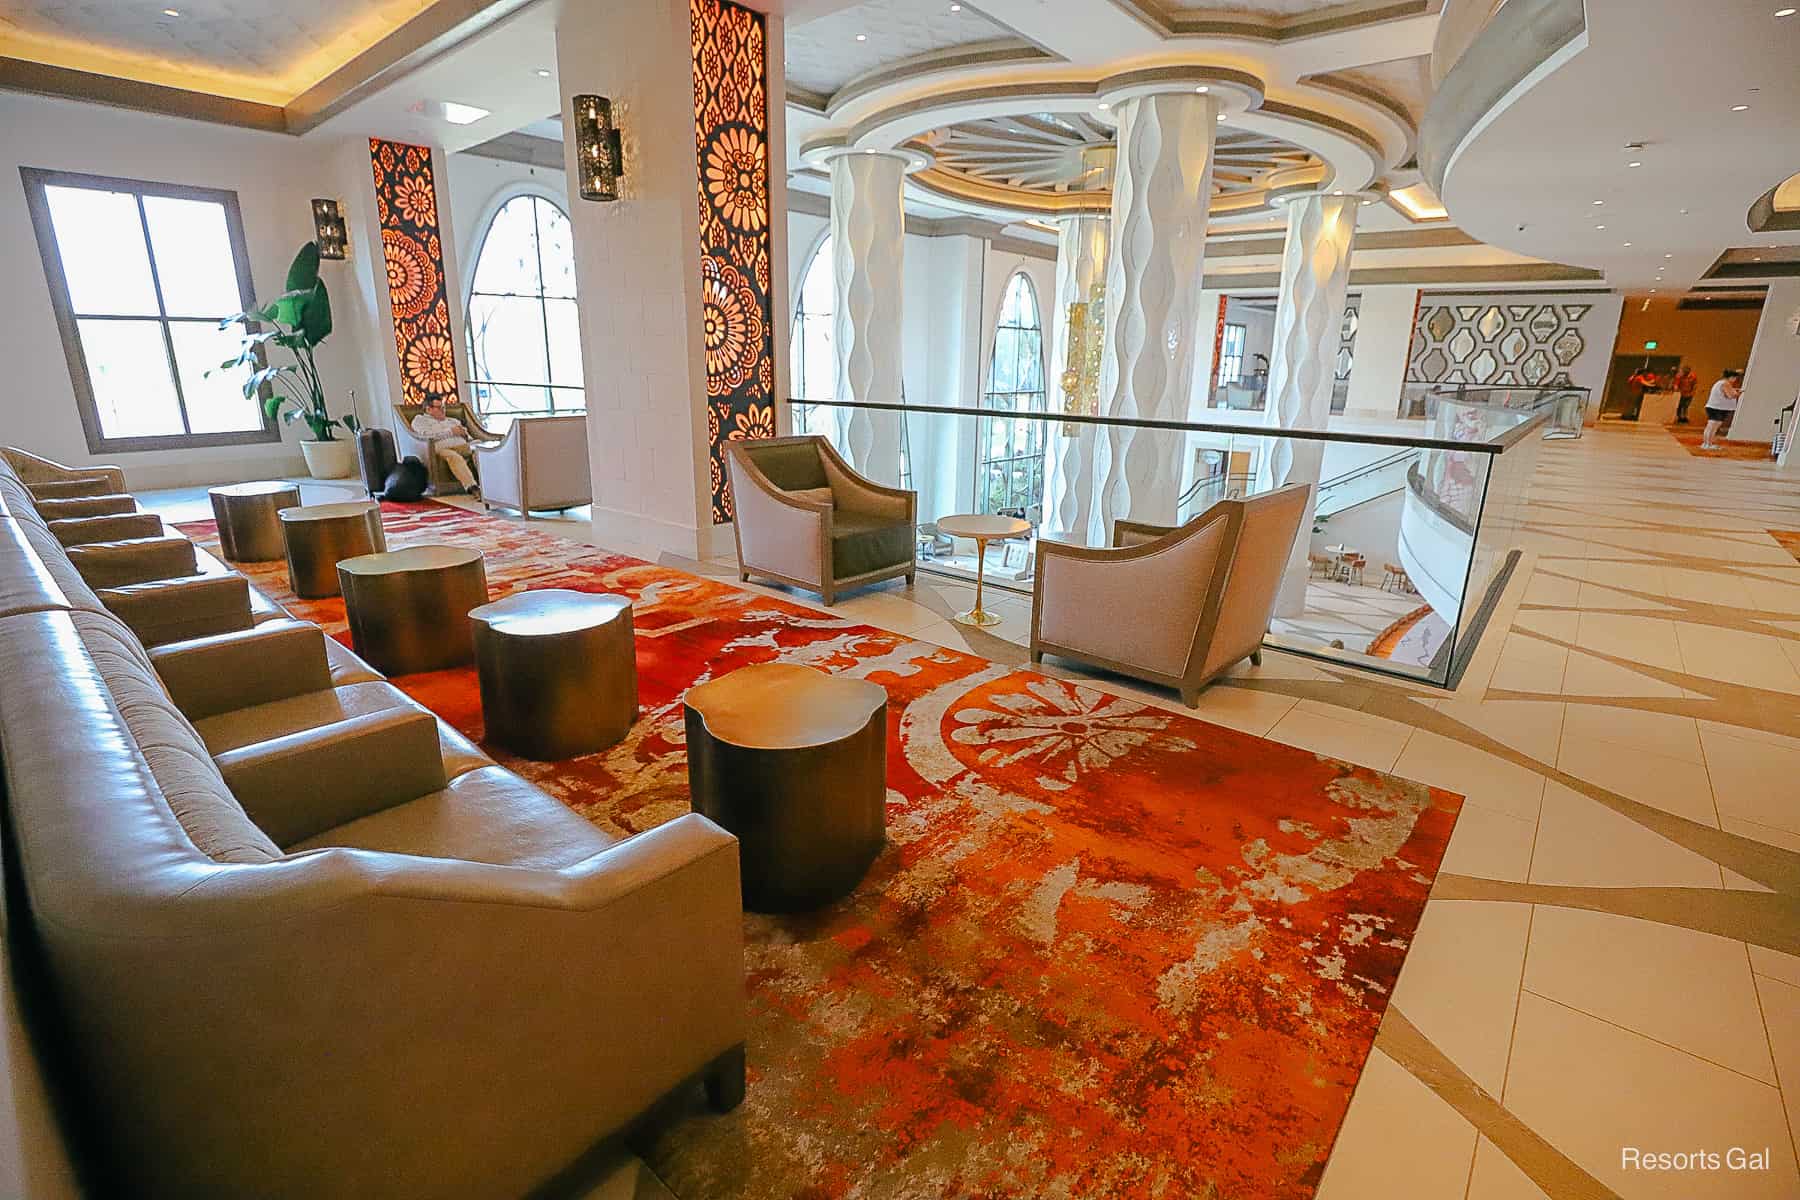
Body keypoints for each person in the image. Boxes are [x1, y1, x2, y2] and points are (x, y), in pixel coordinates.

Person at [409, 396, 480, 495]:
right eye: (439, 408)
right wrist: (450, 432)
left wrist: (464, 434)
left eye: (444, 407)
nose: (443, 410)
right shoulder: (420, 420)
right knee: (454, 457)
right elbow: (428, 437)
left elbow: (467, 436)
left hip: (463, 446)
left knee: (480, 451)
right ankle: (472, 487)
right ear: (428, 409)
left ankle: (489, 484)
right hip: (441, 449)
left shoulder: (453, 420)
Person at [1699, 369, 1743, 450]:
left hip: (1714, 407)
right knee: (1713, 427)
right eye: (1735, 378)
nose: (1735, 380)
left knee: (1711, 426)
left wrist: (1734, 391)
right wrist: (1738, 393)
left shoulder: (1720, 383)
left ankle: (1706, 443)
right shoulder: (1725, 383)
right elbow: (1730, 395)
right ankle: (1708, 444)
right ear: (1731, 377)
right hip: (1717, 408)